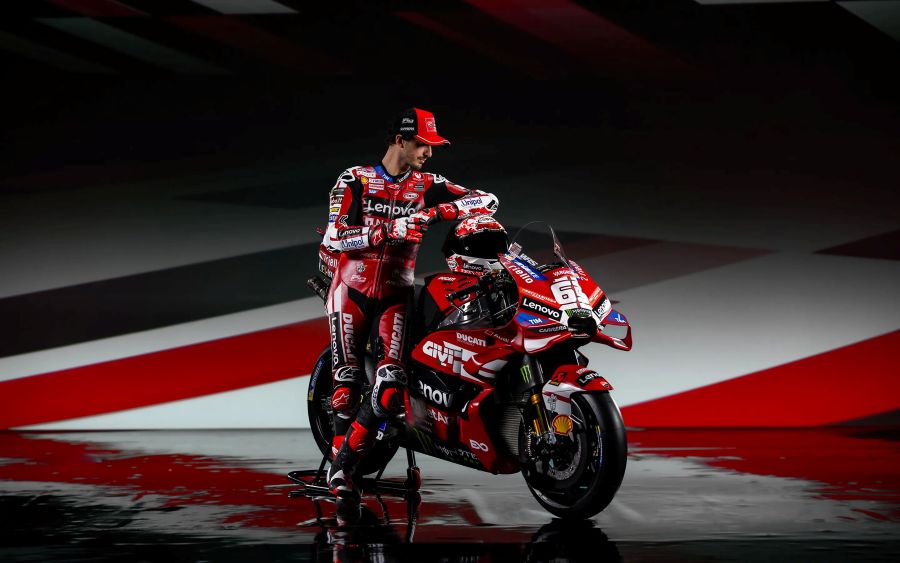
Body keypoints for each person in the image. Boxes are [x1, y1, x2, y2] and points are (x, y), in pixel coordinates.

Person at [319, 107, 499, 500]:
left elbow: (488, 201)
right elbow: (334, 237)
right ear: (399, 140)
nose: (428, 152)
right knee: (345, 389)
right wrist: (388, 230)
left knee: (390, 389)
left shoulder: (429, 183)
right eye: (421, 144)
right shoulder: (354, 178)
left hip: (396, 295)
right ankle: (340, 466)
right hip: (350, 291)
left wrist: (437, 213)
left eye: (433, 145)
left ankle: (341, 470)